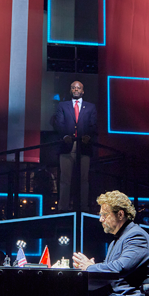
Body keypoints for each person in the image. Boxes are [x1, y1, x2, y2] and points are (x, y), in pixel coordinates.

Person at [54, 81, 97, 212]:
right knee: (65, 179)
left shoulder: (90, 107)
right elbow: (59, 123)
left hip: (84, 146)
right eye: (73, 87)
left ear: (83, 91)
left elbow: (93, 125)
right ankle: (63, 208)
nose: (76, 89)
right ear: (70, 90)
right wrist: (65, 136)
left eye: (78, 88)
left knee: (84, 179)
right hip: (67, 146)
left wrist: (88, 137)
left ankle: (84, 207)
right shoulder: (62, 105)